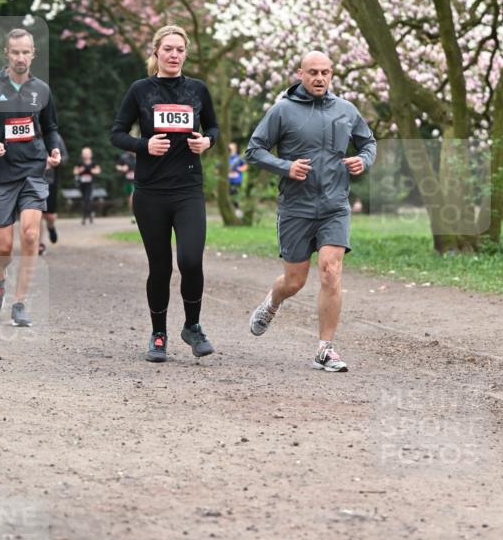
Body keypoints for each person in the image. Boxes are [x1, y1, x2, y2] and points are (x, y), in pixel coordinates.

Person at [245, 50, 376, 371]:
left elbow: (369, 143)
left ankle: (325, 349)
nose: (320, 78)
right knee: (294, 281)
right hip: (296, 207)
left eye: (326, 72)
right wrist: (285, 166)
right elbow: (254, 150)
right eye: (313, 72)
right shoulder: (282, 111)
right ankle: (273, 301)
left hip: (334, 205)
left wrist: (364, 159)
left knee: (331, 271)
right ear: (300, 74)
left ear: (331, 75)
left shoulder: (346, 110)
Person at [110, 24, 219, 362]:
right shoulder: (141, 90)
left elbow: (213, 126)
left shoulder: (197, 90)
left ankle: (193, 326)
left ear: (185, 54)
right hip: (151, 192)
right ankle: (158, 335)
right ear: (156, 52)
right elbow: (116, 133)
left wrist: (207, 141)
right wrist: (144, 145)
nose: (174, 55)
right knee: (160, 268)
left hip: (187, 189)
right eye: (168, 49)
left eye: (180, 50)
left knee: (190, 260)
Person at [0, 28, 62, 327]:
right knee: (3, 246)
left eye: (25, 52)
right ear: (6, 53)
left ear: (34, 54)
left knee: (31, 235)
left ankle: (19, 303)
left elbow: (51, 127)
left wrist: (54, 149)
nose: (21, 57)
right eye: (15, 52)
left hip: (33, 169)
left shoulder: (42, 89)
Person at [39, 136, 68, 254]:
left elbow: (65, 158)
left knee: (49, 216)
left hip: (50, 181)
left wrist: (56, 161)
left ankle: (51, 227)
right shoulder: (27, 134)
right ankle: (38, 244)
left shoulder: (55, 138)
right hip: (31, 180)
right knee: (36, 214)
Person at [73, 146, 101, 223]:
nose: (86, 155)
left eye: (87, 153)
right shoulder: (80, 162)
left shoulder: (93, 162)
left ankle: (84, 217)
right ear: (82, 155)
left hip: (90, 184)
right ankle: (90, 214)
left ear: (91, 154)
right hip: (82, 184)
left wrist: (93, 171)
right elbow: (75, 171)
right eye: (84, 153)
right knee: (85, 200)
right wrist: (80, 170)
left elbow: (98, 170)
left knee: (87, 200)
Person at [115, 150, 136, 215]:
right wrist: (122, 168)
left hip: (138, 181)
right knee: (129, 197)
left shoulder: (141, 155)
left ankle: (135, 213)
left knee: (133, 196)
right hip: (127, 181)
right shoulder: (124, 157)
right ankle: (132, 213)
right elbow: (117, 166)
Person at [228, 141, 248, 208]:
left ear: (235, 149)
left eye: (232, 148)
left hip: (236, 179)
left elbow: (245, 166)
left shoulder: (238, 158)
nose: (230, 149)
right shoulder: (226, 158)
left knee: (235, 193)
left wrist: (238, 169)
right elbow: (218, 169)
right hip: (227, 180)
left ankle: (236, 208)